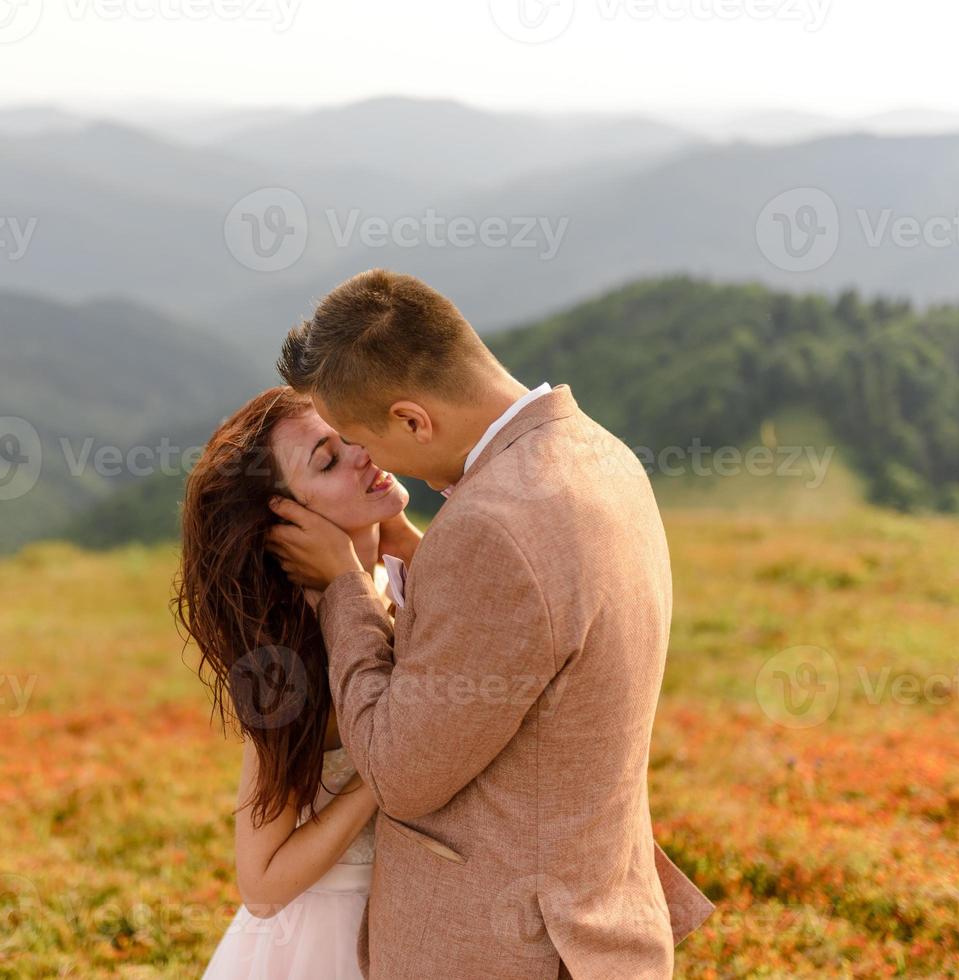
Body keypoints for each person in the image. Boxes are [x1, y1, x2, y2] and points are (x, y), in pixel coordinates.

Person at [266, 269, 714, 978]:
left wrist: (344, 590)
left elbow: (396, 774)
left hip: (505, 949)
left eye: (367, 441)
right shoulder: (598, 451)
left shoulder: (490, 531)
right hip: (596, 919)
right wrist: (429, 557)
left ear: (413, 419)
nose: (373, 464)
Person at [175, 386, 418, 978]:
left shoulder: (392, 579)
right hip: (327, 940)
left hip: (419, 916)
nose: (361, 452)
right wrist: (385, 770)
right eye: (327, 461)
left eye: (349, 435)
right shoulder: (289, 661)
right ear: (286, 520)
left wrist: (402, 534)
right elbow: (261, 884)